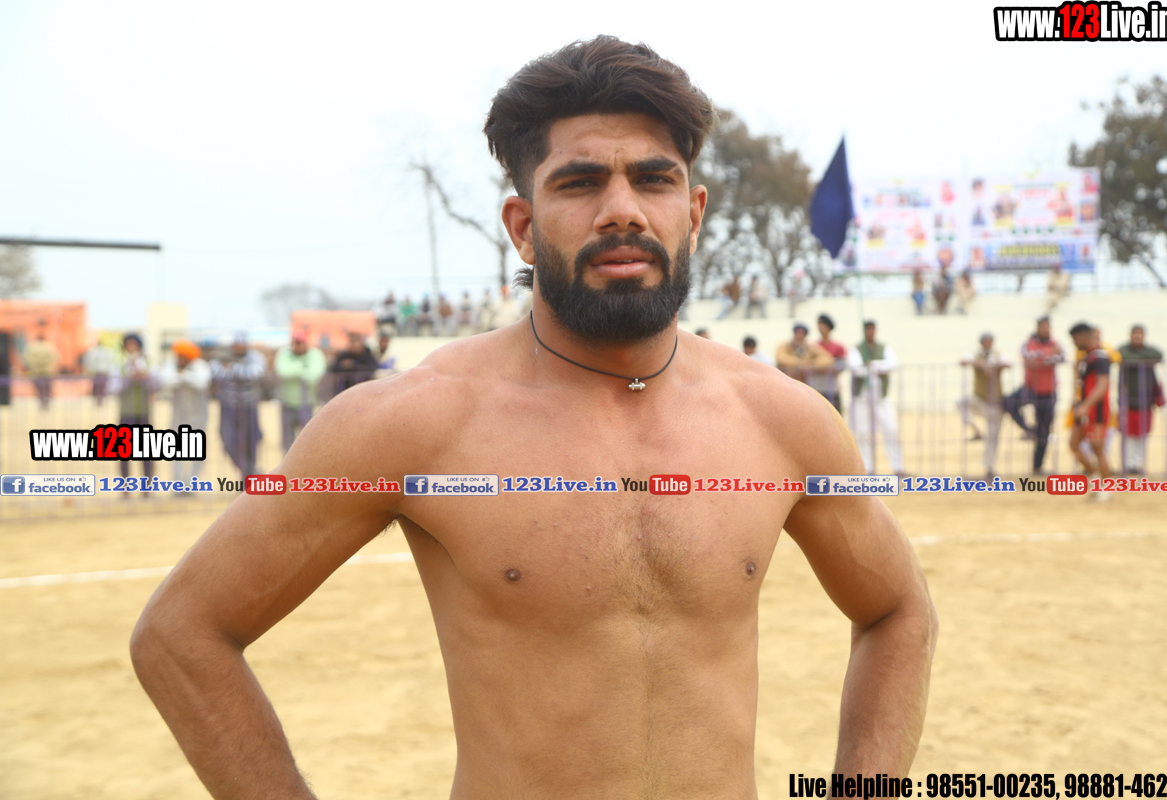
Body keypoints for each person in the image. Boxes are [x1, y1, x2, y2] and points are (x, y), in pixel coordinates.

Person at [131, 37, 937, 800]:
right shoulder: (413, 424)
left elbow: (898, 612)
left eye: (653, 179)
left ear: (692, 212)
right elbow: (182, 632)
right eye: (580, 183)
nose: (622, 210)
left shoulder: (782, 421)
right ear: (522, 226)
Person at [1002, 316, 1064, 474]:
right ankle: (1029, 430)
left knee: (1045, 431)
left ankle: (1037, 466)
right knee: (1008, 403)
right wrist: (1048, 355)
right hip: (1030, 388)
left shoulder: (1055, 343)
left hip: (1048, 391)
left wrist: (1039, 357)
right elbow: (1029, 360)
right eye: (1043, 327)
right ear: (1037, 327)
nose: (1046, 330)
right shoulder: (1029, 343)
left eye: (1048, 327)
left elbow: (1062, 357)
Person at [847, 321, 904, 475]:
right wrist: (876, 367)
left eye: (872, 329)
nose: (870, 332)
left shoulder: (884, 347)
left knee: (891, 429)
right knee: (863, 432)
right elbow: (856, 369)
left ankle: (898, 467)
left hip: (881, 396)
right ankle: (868, 468)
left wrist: (872, 365)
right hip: (862, 396)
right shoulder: (856, 348)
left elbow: (892, 364)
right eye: (867, 329)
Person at [1067, 322, 1113, 499]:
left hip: (1096, 410)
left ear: (1085, 336)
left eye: (1075, 338)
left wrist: (1087, 405)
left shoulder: (1100, 357)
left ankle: (1107, 489)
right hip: (1082, 409)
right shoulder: (1086, 358)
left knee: (1097, 448)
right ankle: (1095, 480)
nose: (1074, 342)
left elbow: (1102, 385)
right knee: (1073, 444)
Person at [211, 332, 265, 479]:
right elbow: (216, 372)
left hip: (249, 407)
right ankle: (249, 472)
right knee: (227, 440)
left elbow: (255, 373)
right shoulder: (223, 355)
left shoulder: (255, 357)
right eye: (237, 345)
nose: (239, 348)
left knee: (251, 441)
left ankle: (248, 477)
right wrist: (238, 370)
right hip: (228, 407)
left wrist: (232, 368)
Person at [158, 339, 211, 483]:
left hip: (198, 416)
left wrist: (183, 375)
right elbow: (166, 381)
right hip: (178, 416)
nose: (179, 359)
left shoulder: (200, 366)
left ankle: (193, 481)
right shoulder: (171, 365)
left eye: (183, 356)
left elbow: (201, 383)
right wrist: (184, 377)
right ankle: (178, 481)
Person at [958, 333, 1008, 480]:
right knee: (960, 402)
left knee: (993, 437)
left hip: (994, 403)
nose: (988, 343)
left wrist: (994, 365)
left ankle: (989, 467)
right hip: (979, 399)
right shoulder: (976, 355)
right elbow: (963, 360)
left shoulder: (998, 354)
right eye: (985, 341)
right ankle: (975, 429)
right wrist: (981, 364)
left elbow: (1008, 362)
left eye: (989, 341)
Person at [1117, 324, 1165, 475]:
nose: (1137, 336)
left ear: (1144, 336)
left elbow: (1159, 355)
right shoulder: (1123, 350)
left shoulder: (1149, 350)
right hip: (1128, 400)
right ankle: (1128, 463)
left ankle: (1138, 463)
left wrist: (1138, 360)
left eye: (1140, 334)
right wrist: (1144, 361)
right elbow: (1124, 357)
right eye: (1135, 333)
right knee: (1128, 434)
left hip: (1146, 400)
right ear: (1130, 335)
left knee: (1142, 434)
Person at [273, 330, 327, 454]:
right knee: (287, 442)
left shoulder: (315, 354)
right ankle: (288, 465)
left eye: (301, 342)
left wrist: (294, 369)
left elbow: (315, 374)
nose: (298, 345)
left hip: (307, 404)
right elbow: (283, 371)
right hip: (287, 403)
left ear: (306, 343)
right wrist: (303, 367)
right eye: (296, 342)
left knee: (308, 440)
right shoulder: (284, 353)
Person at [117, 333, 155, 485]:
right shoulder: (120, 365)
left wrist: (144, 376)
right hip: (126, 412)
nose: (131, 348)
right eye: (129, 345)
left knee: (146, 450)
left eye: (134, 345)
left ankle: (147, 483)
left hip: (143, 412)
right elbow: (113, 387)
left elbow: (156, 384)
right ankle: (125, 483)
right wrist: (128, 378)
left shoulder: (148, 364)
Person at [812, 313, 847, 412]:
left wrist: (824, 367)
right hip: (816, 387)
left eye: (822, 323)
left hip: (833, 387)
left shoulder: (838, 347)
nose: (820, 326)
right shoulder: (813, 346)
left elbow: (841, 366)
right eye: (819, 323)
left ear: (829, 326)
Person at [328, 331, 378, 395]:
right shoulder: (344, 356)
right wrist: (342, 365)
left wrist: (354, 365)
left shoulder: (368, 356)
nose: (353, 345)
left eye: (355, 342)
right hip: (345, 391)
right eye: (352, 342)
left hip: (364, 390)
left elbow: (371, 368)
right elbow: (333, 368)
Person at [23, 328, 59, 410]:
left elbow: (27, 359)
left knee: (38, 389)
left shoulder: (31, 347)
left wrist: (34, 366)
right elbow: (55, 358)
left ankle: (41, 402)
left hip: (36, 372)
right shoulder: (50, 347)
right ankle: (47, 402)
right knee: (47, 388)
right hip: (47, 372)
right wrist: (49, 366)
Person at [82, 336, 119, 406]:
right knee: (100, 387)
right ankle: (99, 400)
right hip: (101, 371)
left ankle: (100, 400)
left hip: (100, 371)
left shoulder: (96, 351)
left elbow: (89, 361)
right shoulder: (103, 351)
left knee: (100, 387)